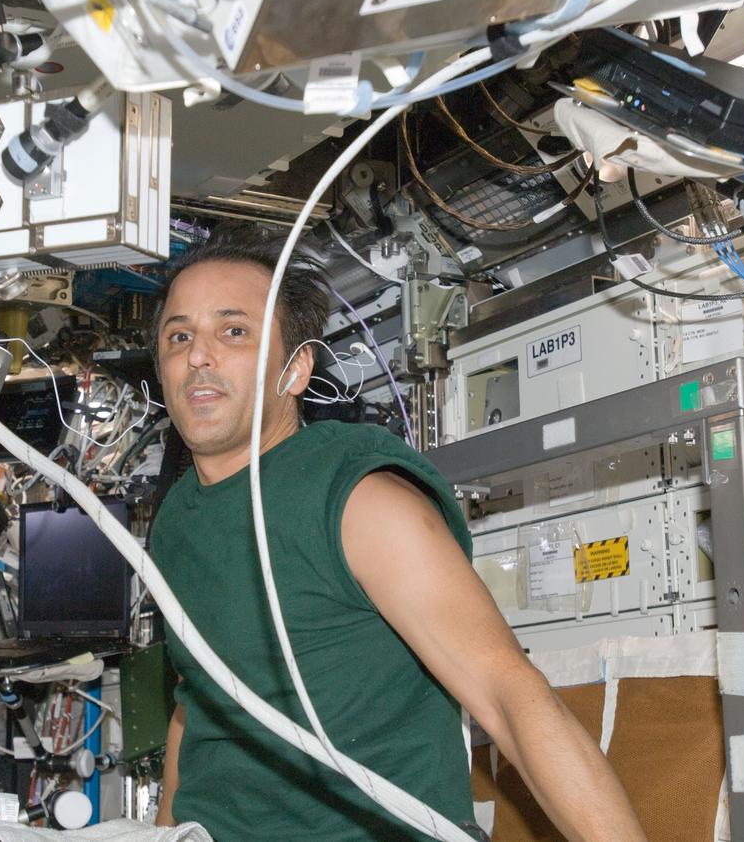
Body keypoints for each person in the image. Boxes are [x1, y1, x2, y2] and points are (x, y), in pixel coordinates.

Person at [146, 223, 646, 841]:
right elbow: (195, 705)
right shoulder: (176, 523)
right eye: (179, 336)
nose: (198, 354)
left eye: (234, 331)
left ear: (296, 370)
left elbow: (508, 695)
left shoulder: (356, 498)